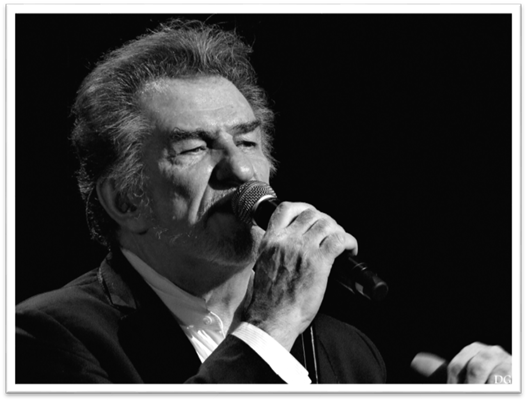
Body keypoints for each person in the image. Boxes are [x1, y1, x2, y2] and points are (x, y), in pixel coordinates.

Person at [15, 19, 511, 384]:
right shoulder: (47, 337)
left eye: (248, 142)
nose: (242, 170)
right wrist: (269, 329)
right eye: (194, 148)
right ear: (125, 199)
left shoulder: (347, 350)